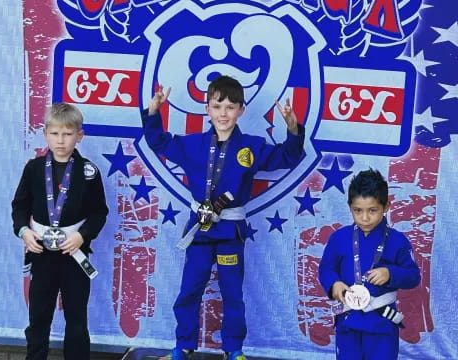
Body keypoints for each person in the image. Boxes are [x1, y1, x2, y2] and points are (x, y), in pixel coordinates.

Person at [142, 75, 305, 360]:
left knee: (232, 294)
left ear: (241, 110)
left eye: (231, 107)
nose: (223, 113)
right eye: (217, 106)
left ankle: (234, 350)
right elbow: (158, 142)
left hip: (230, 233)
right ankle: (183, 347)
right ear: (206, 108)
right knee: (190, 290)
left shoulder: (251, 147)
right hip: (200, 232)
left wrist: (292, 128)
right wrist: (154, 112)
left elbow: (288, 158)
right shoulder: (192, 145)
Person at [11, 103, 109, 360]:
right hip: (41, 253)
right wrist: (24, 231)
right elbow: (19, 205)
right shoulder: (33, 169)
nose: (61, 140)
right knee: (39, 319)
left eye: (67, 134)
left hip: (74, 254)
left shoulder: (88, 172)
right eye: (55, 134)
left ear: (79, 136)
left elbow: (100, 212)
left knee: (77, 320)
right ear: (45, 134)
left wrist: (82, 235)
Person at [318, 169, 421, 360]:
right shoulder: (339, 237)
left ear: (386, 206)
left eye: (372, 210)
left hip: (382, 323)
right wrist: (334, 284)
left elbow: (413, 276)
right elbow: (326, 268)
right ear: (350, 207)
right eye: (358, 210)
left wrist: (391, 273)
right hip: (348, 321)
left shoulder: (398, 241)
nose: (365, 218)